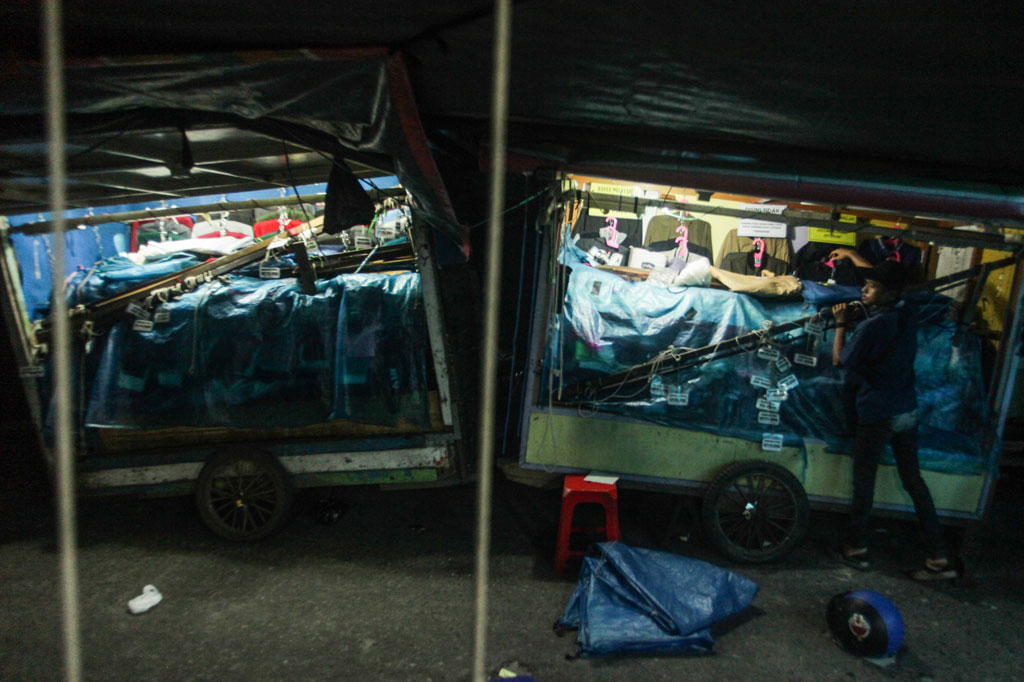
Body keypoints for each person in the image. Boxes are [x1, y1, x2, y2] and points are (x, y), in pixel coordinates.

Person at [829, 259, 957, 581]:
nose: (864, 289)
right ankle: (938, 555)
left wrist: (841, 323)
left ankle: (856, 547)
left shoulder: (873, 326)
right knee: (913, 481)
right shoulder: (907, 314)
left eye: (871, 287)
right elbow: (907, 291)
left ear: (887, 294)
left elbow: (840, 361)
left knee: (864, 479)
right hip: (906, 410)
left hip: (877, 413)